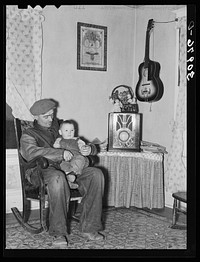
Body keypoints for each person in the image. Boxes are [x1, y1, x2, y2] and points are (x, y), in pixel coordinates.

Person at [20, 98, 105, 247]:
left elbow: (78, 141)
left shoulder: (60, 127)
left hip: (68, 167)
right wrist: (59, 153)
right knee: (58, 178)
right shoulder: (29, 133)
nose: (50, 119)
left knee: (96, 174)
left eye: (51, 115)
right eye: (45, 116)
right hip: (41, 170)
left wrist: (89, 149)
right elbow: (30, 153)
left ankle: (89, 228)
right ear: (35, 117)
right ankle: (58, 232)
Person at [53, 120, 90, 189]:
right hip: (64, 160)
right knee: (61, 166)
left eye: (72, 130)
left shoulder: (77, 139)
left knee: (80, 159)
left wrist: (83, 147)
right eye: (66, 130)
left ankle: (72, 174)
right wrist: (58, 145)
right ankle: (69, 181)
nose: (69, 133)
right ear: (60, 132)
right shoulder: (59, 139)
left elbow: (83, 146)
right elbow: (55, 146)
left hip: (75, 158)